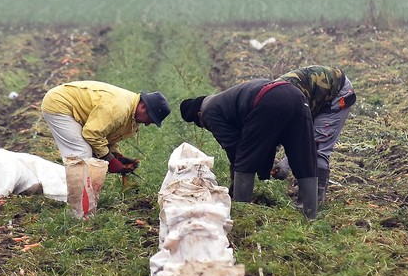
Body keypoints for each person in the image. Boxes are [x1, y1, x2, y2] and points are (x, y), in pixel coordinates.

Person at [178, 79, 319, 220]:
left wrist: (235, 186)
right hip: (296, 95)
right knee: (304, 157)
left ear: (198, 115)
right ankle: (310, 215)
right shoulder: (224, 100)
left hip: (269, 99)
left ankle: (241, 212)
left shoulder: (208, 111)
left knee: (244, 160)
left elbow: (234, 147)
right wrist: (264, 172)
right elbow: (265, 140)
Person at [40, 81, 171, 174]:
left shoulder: (131, 112)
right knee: (82, 153)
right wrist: (110, 160)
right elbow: (92, 134)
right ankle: (77, 206)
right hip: (59, 103)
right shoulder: (119, 109)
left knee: (90, 155)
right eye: (150, 119)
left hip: (71, 107)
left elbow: (107, 134)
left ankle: (80, 197)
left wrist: (117, 156)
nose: (148, 124)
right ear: (143, 107)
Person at [271, 65, 356, 206]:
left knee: (318, 147)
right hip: (314, 97)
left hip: (337, 94)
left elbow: (304, 139)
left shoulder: (282, 106)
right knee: (308, 142)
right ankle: (306, 192)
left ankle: (312, 202)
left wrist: (284, 165)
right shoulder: (272, 105)